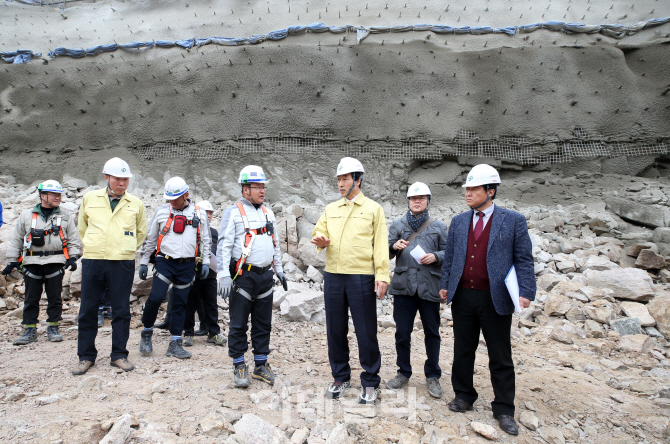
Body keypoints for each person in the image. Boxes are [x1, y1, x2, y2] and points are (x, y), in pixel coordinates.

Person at [439, 164, 535, 436]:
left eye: (473, 189)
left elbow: (524, 258)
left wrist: (526, 291)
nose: (468, 193)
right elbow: (452, 258)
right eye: (466, 189)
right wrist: (446, 285)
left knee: (500, 354)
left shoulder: (513, 220)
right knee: (463, 349)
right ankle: (464, 396)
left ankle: (504, 408)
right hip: (464, 296)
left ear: (490, 191)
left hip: (496, 297)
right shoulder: (458, 221)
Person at [311, 157, 390, 405]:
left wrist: (382, 275)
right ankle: (340, 377)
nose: (341, 184)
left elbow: (380, 245)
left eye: (345, 178)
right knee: (335, 329)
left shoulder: (373, 209)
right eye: (338, 179)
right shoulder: (331, 209)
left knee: (365, 331)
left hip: (361, 277)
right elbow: (318, 231)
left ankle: (369, 381)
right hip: (334, 276)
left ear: (358, 179)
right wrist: (320, 240)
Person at [74, 158, 147, 375]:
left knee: (121, 310)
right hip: (94, 260)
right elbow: (82, 227)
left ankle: (119, 355)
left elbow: (140, 232)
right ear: (106, 177)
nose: (122, 183)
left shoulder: (136, 203)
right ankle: (86, 356)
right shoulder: (90, 198)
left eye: (126, 179)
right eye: (118, 179)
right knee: (88, 309)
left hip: (122, 262)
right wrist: (94, 245)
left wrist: (125, 248)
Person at [217, 166, 287, 388]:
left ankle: (260, 365)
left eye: (263, 186)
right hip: (243, 278)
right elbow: (224, 245)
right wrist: (223, 275)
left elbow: (274, 242)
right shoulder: (234, 212)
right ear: (245, 189)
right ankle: (239, 365)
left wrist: (279, 268)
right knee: (238, 325)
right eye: (257, 186)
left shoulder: (268, 213)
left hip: (265, 277)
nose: (262, 191)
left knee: (263, 324)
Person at [138, 177, 211, 359]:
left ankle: (175, 343)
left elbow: (206, 240)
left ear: (186, 195)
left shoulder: (199, 214)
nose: (172, 202)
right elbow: (151, 238)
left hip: (187, 265)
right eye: (169, 199)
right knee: (155, 298)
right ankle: (146, 333)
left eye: (175, 199)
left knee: (180, 304)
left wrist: (206, 262)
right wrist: (144, 261)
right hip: (165, 262)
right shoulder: (162, 212)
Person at [386, 182, 447, 398]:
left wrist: (436, 256)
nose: (417, 201)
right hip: (404, 287)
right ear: (409, 202)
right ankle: (403, 372)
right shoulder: (397, 224)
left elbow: (448, 253)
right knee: (402, 333)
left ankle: (433, 376)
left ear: (428, 201)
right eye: (413, 198)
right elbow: (385, 253)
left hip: (429, 286)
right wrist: (393, 246)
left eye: (421, 198)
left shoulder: (438, 226)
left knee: (432, 333)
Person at [3, 180, 81, 345]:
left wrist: (73, 258)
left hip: (55, 261)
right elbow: (16, 239)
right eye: (54, 194)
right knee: (31, 298)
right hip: (32, 262)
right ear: (42, 195)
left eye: (59, 195)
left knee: (55, 297)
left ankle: (53, 327)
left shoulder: (65, 216)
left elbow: (73, 239)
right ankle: (29, 330)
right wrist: (11, 261)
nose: (58, 198)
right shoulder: (26, 215)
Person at [183, 200, 226, 347]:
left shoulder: (214, 232)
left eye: (210, 213)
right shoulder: (190, 229)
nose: (208, 215)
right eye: (205, 212)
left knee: (211, 305)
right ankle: (188, 333)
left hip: (210, 275)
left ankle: (213, 333)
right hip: (193, 273)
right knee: (190, 304)